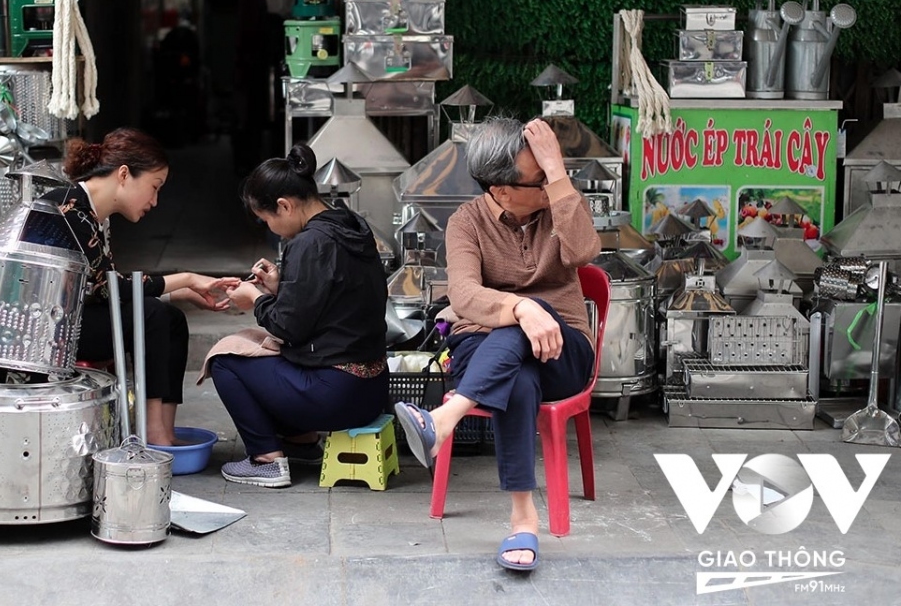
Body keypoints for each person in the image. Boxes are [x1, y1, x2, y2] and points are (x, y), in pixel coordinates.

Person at [393, 117, 601, 572]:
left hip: (563, 349)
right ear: (500, 190)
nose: (548, 183)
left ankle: (445, 418)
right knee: (517, 377)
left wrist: (559, 174)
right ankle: (523, 518)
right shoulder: (466, 223)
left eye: (550, 174)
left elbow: (585, 252)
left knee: (525, 331)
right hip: (485, 346)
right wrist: (523, 309)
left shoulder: (559, 204)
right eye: (538, 178)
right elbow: (464, 295)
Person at [44, 127, 239, 447]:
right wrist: (186, 279)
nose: (155, 200)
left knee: (170, 317)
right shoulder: (70, 209)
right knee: (151, 315)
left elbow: (102, 285)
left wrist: (179, 293)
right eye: (154, 186)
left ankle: (163, 430)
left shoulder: (89, 210)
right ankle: (153, 434)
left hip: (73, 317)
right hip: (50, 329)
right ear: (124, 175)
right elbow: (107, 288)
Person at [210, 144, 390, 488]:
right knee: (263, 352)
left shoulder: (309, 243)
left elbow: (289, 325)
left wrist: (256, 298)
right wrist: (281, 286)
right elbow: (333, 300)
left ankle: (267, 460)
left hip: (335, 396)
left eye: (267, 221)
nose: (271, 228)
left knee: (225, 359)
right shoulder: (351, 225)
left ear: (284, 206)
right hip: (372, 389)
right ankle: (301, 443)